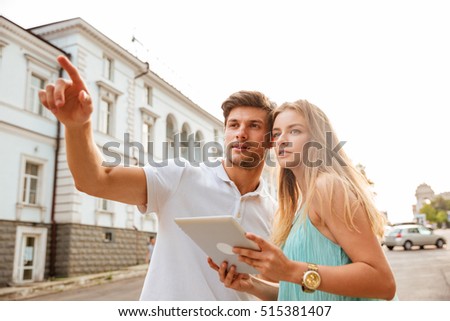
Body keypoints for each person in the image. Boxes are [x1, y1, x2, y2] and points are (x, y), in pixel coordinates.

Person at [38, 55, 277, 300]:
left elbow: (281, 290)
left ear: (271, 139)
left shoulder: (276, 213)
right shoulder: (181, 177)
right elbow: (95, 180)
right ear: (225, 132)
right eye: (234, 125)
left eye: (254, 126)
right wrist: (78, 127)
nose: (241, 133)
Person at [209, 99, 397, 301]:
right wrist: (253, 285)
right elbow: (302, 292)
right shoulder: (299, 205)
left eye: (295, 131)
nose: (282, 140)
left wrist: (290, 269)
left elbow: (383, 282)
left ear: (317, 140)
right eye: (277, 133)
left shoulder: (327, 187)